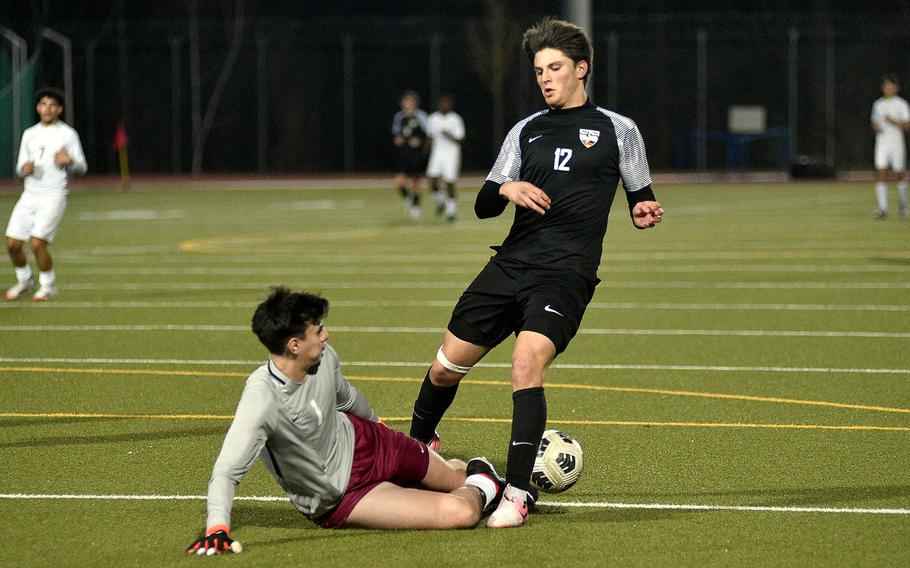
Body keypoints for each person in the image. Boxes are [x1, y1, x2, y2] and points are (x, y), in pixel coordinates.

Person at [408, 18, 663, 529]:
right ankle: (417, 448)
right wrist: (507, 189)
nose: (545, 78)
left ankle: (519, 493)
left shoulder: (619, 129)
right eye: (539, 70)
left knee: (526, 364)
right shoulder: (525, 131)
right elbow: (482, 204)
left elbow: (641, 195)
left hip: (565, 275)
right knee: (444, 368)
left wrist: (644, 210)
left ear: (580, 69)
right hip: (509, 265)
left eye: (555, 68)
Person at [186, 288, 505, 556]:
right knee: (461, 512)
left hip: (370, 442)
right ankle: (484, 483)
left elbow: (347, 398)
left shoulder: (324, 357)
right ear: (293, 345)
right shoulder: (261, 401)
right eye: (318, 331)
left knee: (454, 476)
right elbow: (227, 471)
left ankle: (472, 476)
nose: (327, 335)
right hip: (344, 496)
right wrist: (217, 527)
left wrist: (379, 426)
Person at [4, 87, 86, 302]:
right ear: (38, 107)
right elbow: (19, 167)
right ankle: (25, 281)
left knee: (38, 242)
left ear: (59, 109)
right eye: (43, 104)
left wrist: (69, 162)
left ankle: (48, 286)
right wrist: (24, 169)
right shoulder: (29, 134)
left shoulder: (67, 134)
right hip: (29, 194)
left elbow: (82, 166)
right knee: (12, 244)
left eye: (52, 105)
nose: (47, 109)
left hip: (54, 194)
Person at [870, 74, 910, 219]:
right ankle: (883, 208)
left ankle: (903, 205)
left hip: (896, 143)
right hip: (882, 143)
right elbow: (874, 122)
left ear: (896, 88)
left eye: (891, 86)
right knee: (880, 173)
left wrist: (893, 121)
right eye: (886, 86)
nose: (888, 89)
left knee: (899, 174)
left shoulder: (902, 104)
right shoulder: (878, 104)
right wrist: (876, 127)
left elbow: (907, 126)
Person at [426, 93, 465, 222]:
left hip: (451, 154)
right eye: (442, 103)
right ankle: (441, 201)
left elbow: (460, 139)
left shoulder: (455, 119)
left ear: (451, 105)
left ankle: (451, 211)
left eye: (447, 103)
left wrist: (449, 135)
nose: (444, 105)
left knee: (449, 182)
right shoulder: (433, 119)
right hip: (437, 154)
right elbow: (430, 137)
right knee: (431, 180)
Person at [391, 91, 429, 219]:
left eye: (409, 102)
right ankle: (409, 200)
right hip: (403, 153)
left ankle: (416, 207)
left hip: (416, 155)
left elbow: (428, 135)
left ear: (415, 104)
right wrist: (398, 139)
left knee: (414, 184)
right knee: (399, 182)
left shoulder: (421, 117)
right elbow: (396, 133)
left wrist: (421, 142)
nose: (406, 104)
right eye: (405, 102)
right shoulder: (399, 117)